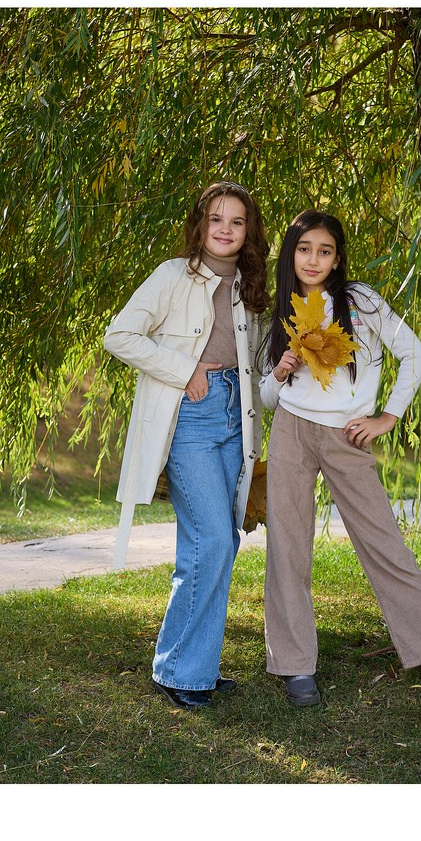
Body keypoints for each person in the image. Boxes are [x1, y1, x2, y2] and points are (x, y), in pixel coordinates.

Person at [258, 210, 421, 705]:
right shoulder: (279, 310)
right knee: (287, 547)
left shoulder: (360, 301)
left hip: (348, 435)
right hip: (290, 432)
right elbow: (265, 398)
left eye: (324, 251)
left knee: (384, 543)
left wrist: (388, 416)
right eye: (304, 249)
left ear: (337, 259)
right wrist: (279, 372)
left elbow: (415, 353)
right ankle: (294, 665)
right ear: (290, 254)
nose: (313, 259)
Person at [102, 183, 267, 710]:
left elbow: (257, 361)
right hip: (190, 414)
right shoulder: (173, 275)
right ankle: (178, 671)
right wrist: (185, 370)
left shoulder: (250, 285)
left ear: (248, 230)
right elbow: (120, 336)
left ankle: (195, 666)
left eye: (237, 221)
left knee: (222, 542)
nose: (225, 229)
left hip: (236, 415)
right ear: (200, 225)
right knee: (210, 539)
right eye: (216, 219)